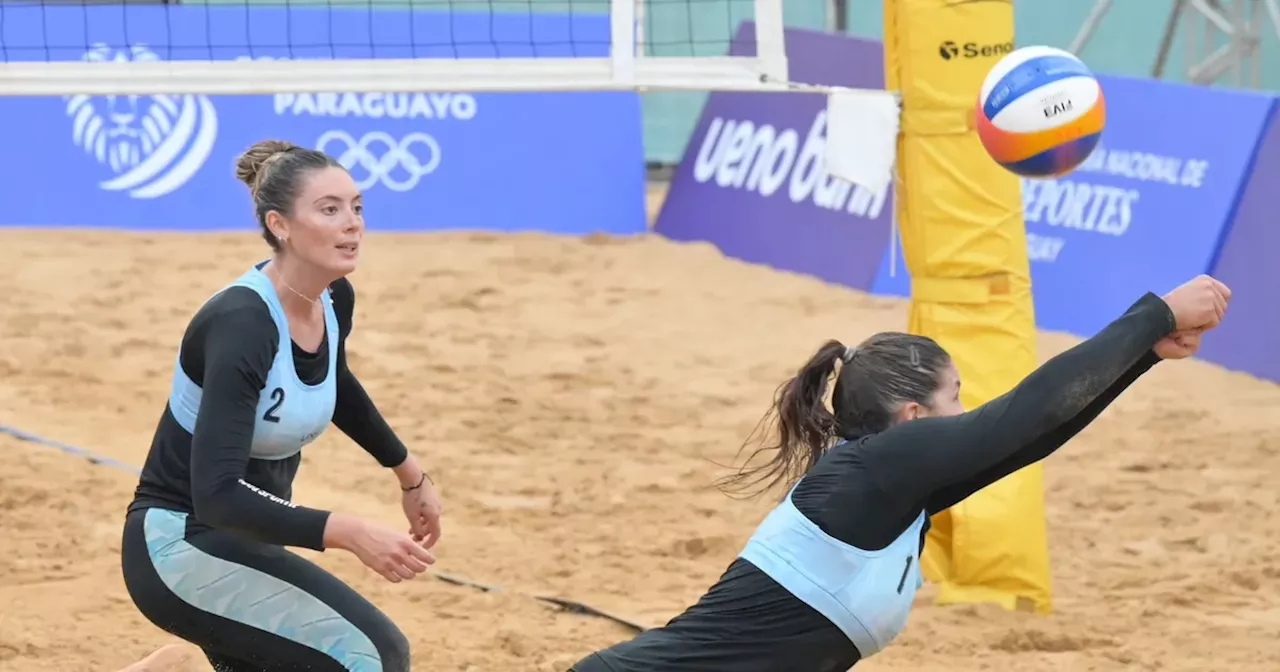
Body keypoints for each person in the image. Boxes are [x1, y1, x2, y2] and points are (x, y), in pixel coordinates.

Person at [570, 275, 1231, 672]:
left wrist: (1145, 353)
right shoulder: (874, 468)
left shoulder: (894, 489)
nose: (967, 412)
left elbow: (1032, 437)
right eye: (957, 396)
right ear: (914, 415)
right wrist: (1154, 314)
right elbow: (1023, 415)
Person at [117, 139, 444, 672]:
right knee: (372, 655)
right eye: (330, 209)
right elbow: (218, 497)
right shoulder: (242, 323)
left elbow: (333, 383)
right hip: (181, 545)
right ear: (281, 225)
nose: (353, 224)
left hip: (245, 544)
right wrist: (348, 531)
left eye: (357, 207)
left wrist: (410, 474)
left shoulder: (333, 297)